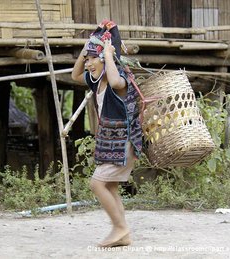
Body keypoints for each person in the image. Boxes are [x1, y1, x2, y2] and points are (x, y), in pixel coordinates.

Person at [71, 20, 143, 247]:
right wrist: (85, 51)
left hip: (125, 143)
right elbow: (75, 75)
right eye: (88, 58)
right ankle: (124, 235)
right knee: (109, 186)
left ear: (104, 58)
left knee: (97, 184)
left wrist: (110, 54)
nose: (88, 63)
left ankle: (120, 228)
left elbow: (114, 80)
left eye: (93, 58)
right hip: (111, 143)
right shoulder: (96, 81)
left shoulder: (120, 79)